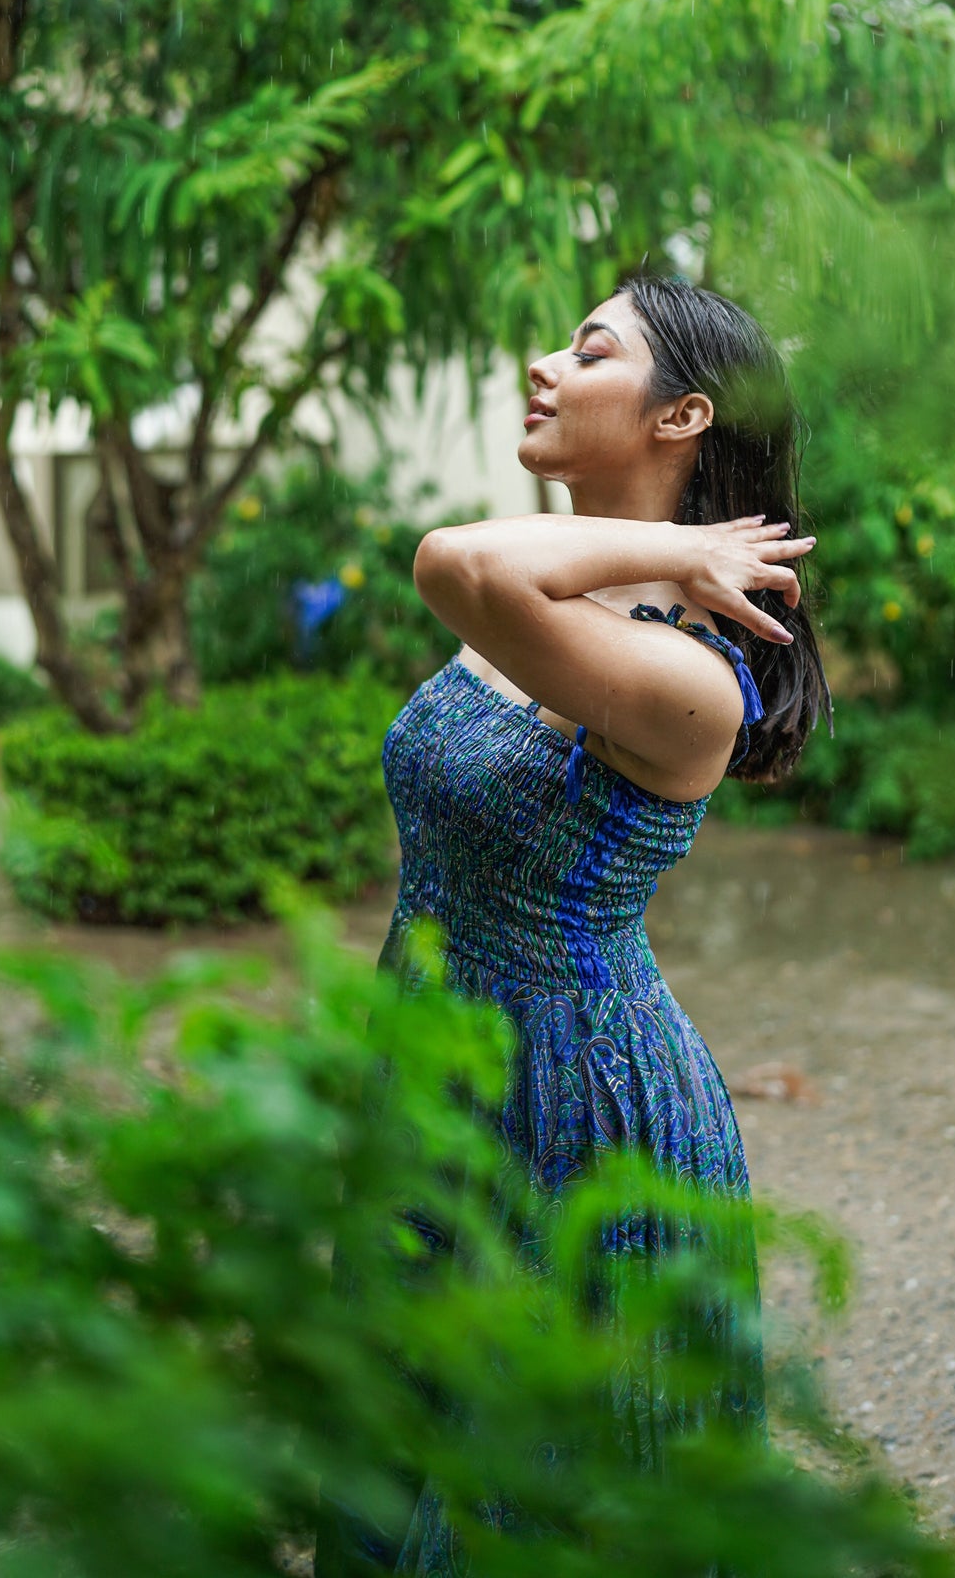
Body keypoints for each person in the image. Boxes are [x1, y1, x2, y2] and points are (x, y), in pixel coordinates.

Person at [317, 273, 831, 1573]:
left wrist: (674, 554)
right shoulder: (563, 612)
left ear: (681, 418)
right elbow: (491, 574)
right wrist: (669, 542)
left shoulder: (685, 677)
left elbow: (455, 559)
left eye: (588, 351)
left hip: (577, 1105)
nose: (541, 364)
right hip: (438, 1063)